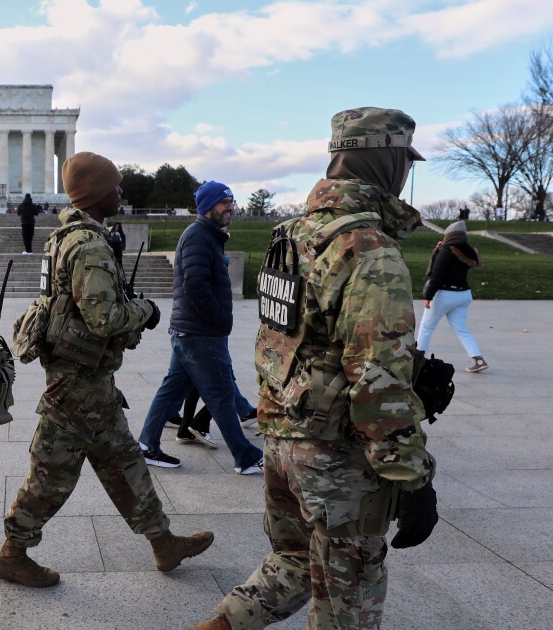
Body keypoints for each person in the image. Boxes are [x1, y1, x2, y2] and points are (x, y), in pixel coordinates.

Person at [190, 108, 439, 630]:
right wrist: (412, 476)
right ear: (388, 162)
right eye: (404, 161)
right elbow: (377, 379)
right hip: (335, 457)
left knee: (293, 562)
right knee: (349, 596)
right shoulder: (369, 249)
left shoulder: (290, 234)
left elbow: (281, 340)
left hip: (282, 438)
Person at [0, 151, 214, 588]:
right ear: (96, 193)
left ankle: (162, 541)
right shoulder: (89, 245)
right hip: (76, 387)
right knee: (52, 474)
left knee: (125, 462)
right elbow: (103, 319)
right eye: (114, 185)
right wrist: (146, 310)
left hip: (91, 382)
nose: (120, 191)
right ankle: (12, 554)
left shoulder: (64, 237)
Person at [137, 181, 264, 474]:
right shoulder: (198, 236)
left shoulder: (206, 235)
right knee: (222, 394)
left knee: (171, 392)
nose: (230, 207)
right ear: (207, 207)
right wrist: (217, 318)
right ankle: (245, 458)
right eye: (224, 202)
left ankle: (146, 444)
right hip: (201, 333)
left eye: (231, 201)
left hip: (190, 330)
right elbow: (195, 285)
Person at [418, 221, 487, 373]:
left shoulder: (446, 250)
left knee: (426, 328)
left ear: (449, 235)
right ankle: (478, 359)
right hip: (463, 295)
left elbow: (437, 275)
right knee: (462, 330)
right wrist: (440, 249)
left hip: (445, 294)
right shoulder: (469, 250)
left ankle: (417, 361)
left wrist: (428, 296)